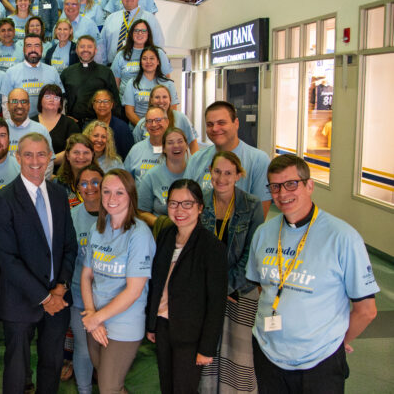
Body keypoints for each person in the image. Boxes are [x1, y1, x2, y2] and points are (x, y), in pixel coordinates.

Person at [246, 154, 379, 393]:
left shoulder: (342, 237)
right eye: (275, 187)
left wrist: (339, 342)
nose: (283, 194)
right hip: (267, 353)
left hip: (320, 362)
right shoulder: (264, 233)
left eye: (291, 184)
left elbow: (366, 310)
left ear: (309, 185)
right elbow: (264, 285)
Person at [0, 132, 78, 394]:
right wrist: (44, 297)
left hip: (58, 299)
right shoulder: (3, 199)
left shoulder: (59, 194)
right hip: (21, 301)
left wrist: (60, 288)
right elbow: (7, 258)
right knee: (17, 369)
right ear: (17, 158)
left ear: (50, 156)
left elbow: (69, 246)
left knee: (51, 364)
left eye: (41, 154)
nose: (35, 160)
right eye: (28, 154)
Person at [146, 179, 228, 394]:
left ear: (200, 207)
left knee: (184, 389)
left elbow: (216, 303)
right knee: (166, 386)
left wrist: (207, 347)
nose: (179, 210)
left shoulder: (212, 247)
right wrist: (152, 323)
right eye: (173, 204)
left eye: (187, 204)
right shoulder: (166, 235)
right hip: (163, 326)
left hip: (191, 334)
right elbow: (156, 282)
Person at [80, 168, 156, 394]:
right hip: (96, 319)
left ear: (131, 195)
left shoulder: (139, 234)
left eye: (120, 193)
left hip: (124, 324)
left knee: (108, 387)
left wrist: (96, 319)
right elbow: (87, 275)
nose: (112, 199)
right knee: (108, 382)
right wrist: (91, 313)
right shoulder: (98, 228)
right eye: (107, 192)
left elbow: (133, 291)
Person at [197, 151, 264, 394]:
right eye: (217, 172)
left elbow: (252, 255)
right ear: (210, 172)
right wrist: (211, 289)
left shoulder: (252, 205)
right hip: (205, 291)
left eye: (228, 173)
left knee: (239, 357)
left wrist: (224, 288)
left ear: (238, 175)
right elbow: (194, 251)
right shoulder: (200, 201)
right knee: (208, 355)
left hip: (241, 291)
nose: (222, 178)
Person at [184, 101, 272, 217]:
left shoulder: (258, 160)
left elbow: (260, 215)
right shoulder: (196, 159)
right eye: (210, 124)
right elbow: (186, 200)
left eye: (221, 123)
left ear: (236, 123)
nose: (215, 129)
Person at [69, 164, 105, 394]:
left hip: (112, 298)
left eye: (95, 182)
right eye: (84, 183)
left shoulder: (117, 214)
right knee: (83, 348)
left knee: (108, 349)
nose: (90, 187)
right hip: (79, 297)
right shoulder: (70, 217)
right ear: (77, 188)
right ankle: (84, 390)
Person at [98, 0, 165, 65]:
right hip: (113, 67)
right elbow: (102, 45)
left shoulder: (150, 18)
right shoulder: (111, 19)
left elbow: (158, 44)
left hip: (140, 68)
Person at [61, 35, 119, 127]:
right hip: (74, 125)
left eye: (89, 47)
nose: (86, 50)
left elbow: (115, 101)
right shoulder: (67, 73)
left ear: (95, 50)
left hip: (101, 125)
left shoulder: (106, 72)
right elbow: (61, 100)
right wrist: (64, 117)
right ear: (76, 50)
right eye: (82, 47)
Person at [1, 34, 63, 118]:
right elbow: (6, 104)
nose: (33, 50)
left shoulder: (52, 71)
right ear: (23, 49)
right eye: (29, 46)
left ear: (42, 49)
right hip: (21, 123)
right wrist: (12, 125)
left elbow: (61, 100)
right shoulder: (11, 72)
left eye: (37, 46)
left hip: (48, 122)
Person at [137, 128, 189, 228]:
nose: (176, 146)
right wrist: (164, 225)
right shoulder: (151, 176)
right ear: (164, 148)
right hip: (161, 233)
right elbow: (141, 212)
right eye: (170, 143)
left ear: (186, 145)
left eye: (180, 141)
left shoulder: (195, 172)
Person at [112, 19, 172, 97]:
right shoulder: (121, 54)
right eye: (136, 30)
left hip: (153, 102)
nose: (140, 33)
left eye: (143, 30)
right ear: (131, 34)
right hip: (125, 101)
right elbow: (116, 83)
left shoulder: (159, 53)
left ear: (148, 33)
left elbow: (166, 80)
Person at [133, 84, 199, 153]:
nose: (161, 101)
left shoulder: (181, 118)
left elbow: (193, 144)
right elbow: (137, 148)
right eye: (157, 97)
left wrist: (194, 162)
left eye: (164, 97)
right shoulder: (142, 124)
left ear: (170, 100)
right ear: (151, 100)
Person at [123, 46, 178, 126]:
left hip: (164, 128)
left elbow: (173, 110)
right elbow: (129, 112)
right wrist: (145, 127)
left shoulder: (169, 84)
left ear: (158, 61)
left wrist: (161, 127)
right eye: (144, 59)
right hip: (139, 128)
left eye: (152, 58)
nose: (148, 62)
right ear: (140, 62)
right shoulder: (132, 83)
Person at [31, 84, 80, 165]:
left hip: (61, 172)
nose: (52, 100)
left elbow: (75, 150)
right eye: (47, 97)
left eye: (56, 98)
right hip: (33, 169)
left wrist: (49, 162)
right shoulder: (30, 122)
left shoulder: (70, 124)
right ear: (40, 100)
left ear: (60, 103)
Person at [124, 106, 170, 183]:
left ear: (167, 122)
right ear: (145, 125)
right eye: (149, 121)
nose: (154, 124)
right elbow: (125, 179)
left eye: (158, 120)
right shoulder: (136, 150)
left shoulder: (177, 149)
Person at [88, 89, 134, 158]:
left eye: (106, 101)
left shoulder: (122, 128)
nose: (102, 105)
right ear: (93, 105)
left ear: (112, 105)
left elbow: (128, 156)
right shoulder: (88, 127)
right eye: (98, 101)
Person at [53, 134, 95, 208]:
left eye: (86, 153)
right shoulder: (58, 184)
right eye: (76, 152)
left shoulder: (101, 182)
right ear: (67, 155)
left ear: (92, 155)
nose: (81, 157)